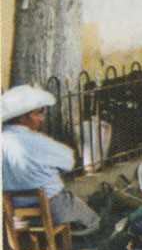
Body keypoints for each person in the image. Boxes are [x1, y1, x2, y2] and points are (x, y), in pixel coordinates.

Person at [2, 85, 100, 236]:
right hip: (51, 210)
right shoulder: (35, 141)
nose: (42, 118)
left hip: (17, 217)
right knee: (94, 221)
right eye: (38, 113)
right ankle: (85, 239)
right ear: (23, 118)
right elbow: (69, 161)